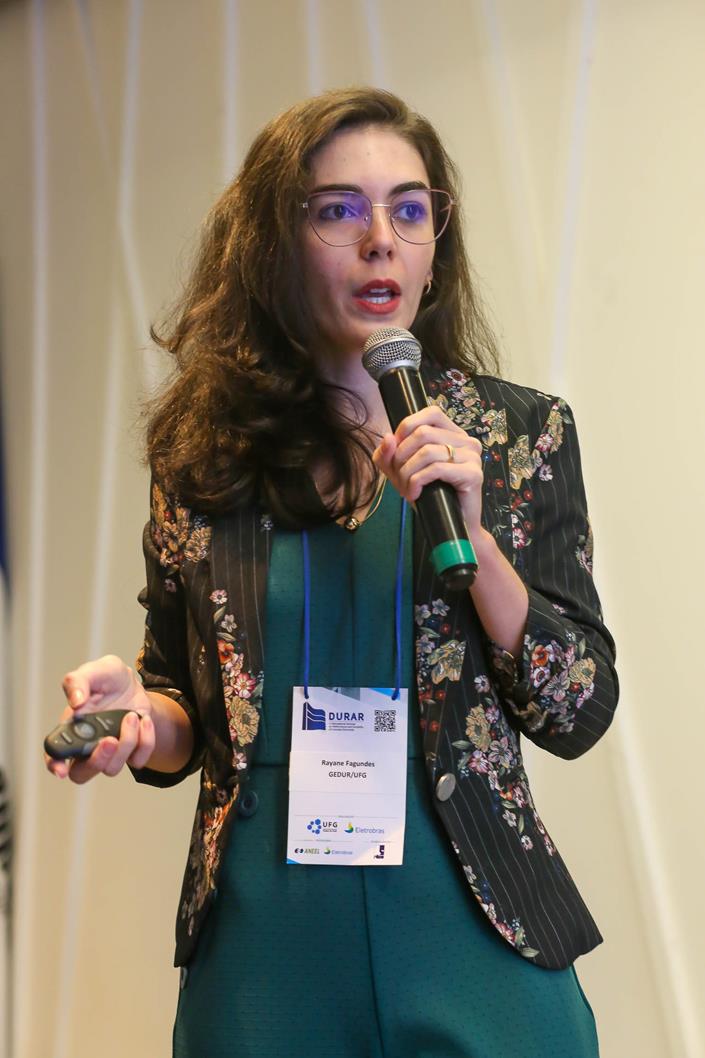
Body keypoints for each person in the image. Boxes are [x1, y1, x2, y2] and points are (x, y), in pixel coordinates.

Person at [47, 87, 618, 1057]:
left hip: (468, 916)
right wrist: (137, 717)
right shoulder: (203, 456)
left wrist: (478, 542)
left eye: (409, 208)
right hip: (267, 941)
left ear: (437, 240)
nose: (380, 239)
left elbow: (578, 708)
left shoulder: (520, 435)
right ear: (275, 240)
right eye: (338, 210)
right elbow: (184, 709)